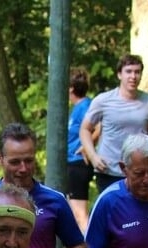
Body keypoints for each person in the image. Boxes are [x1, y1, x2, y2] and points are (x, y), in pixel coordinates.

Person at [80, 54, 148, 194]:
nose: (133, 76)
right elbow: (85, 129)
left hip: (139, 172)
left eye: (137, 72)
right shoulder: (103, 100)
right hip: (108, 169)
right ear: (119, 74)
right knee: (112, 212)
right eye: (128, 71)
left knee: (137, 212)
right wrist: (93, 156)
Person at [66, 68, 94, 231]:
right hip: (70, 163)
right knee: (72, 210)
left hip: (78, 164)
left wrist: (86, 147)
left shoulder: (85, 105)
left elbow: (99, 126)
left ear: (71, 88)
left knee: (79, 213)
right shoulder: (77, 107)